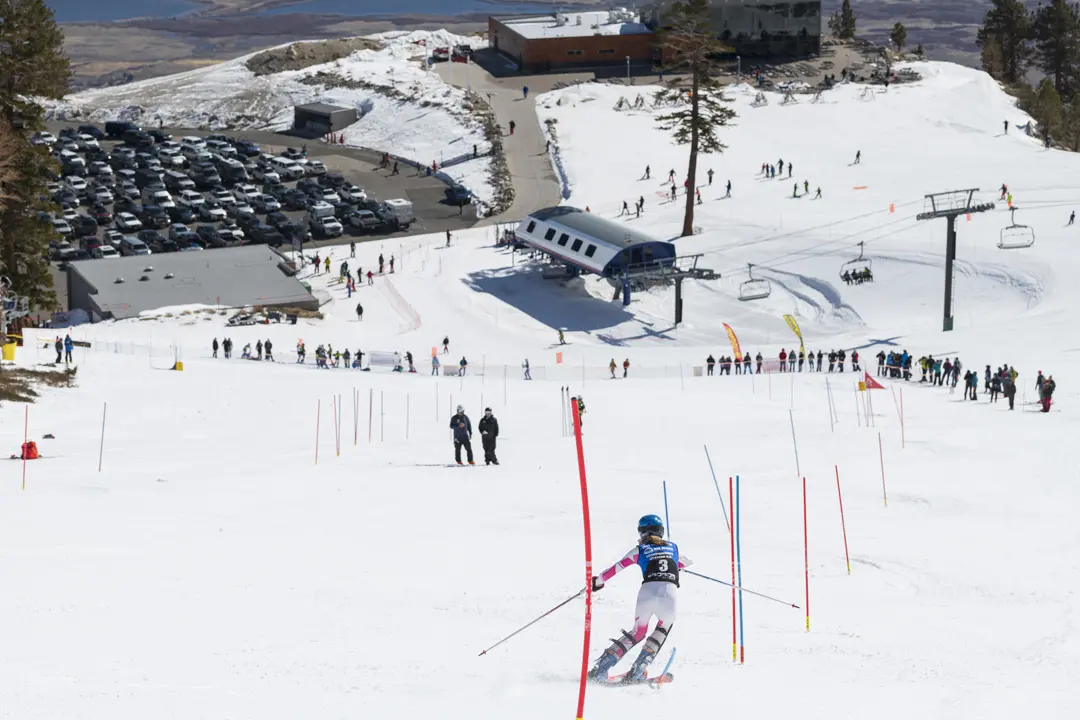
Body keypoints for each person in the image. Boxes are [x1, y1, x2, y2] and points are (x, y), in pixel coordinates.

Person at [587, 514, 692, 684]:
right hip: (669, 594)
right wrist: (676, 566)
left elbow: (616, 568)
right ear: (661, 531)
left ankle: (601, 668)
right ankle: (638, 670)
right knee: (663, 628)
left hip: (647, 592)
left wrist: (597, 583)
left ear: (641, 532)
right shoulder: (673, 547)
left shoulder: (640, 550)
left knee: (638, 632)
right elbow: (686, 562)